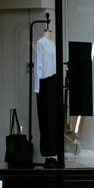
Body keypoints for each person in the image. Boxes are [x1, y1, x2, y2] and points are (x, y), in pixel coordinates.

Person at [34, 29, 63, 168]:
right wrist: (37, 87)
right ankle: (48, 153)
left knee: (54, 117)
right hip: (45, 81)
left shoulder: (52, 43)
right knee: (46, 117)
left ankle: (54, 153)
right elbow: (38, 65)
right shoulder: (41, 43)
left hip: (54, 81)